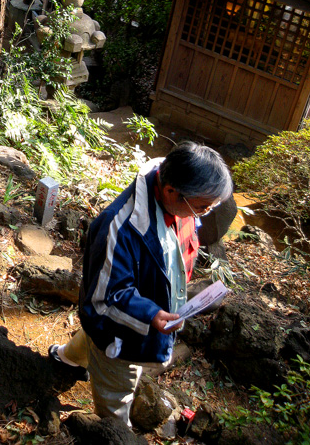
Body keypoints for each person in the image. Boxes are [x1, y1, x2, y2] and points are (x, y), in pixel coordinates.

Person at [49, 141, 233, 426]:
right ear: (171, 191)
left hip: (134, 311)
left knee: (91, 339)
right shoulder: (120, 227)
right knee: (117, 394)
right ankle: (115, 430)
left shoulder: (176, 200)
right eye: (201, 207)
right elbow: (105, 299)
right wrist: (150, 314)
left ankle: (67, 357)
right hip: (123, 334)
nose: (203, 214)